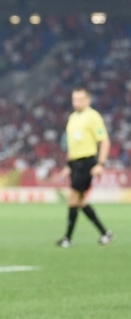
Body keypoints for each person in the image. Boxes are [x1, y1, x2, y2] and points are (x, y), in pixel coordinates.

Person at [56, 88, 114, 248]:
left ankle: (67, 238)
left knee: (72, 198)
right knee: (80, 201)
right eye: (75, 99)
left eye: (80, 99)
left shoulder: (93, 116)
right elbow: (72, 145)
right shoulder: (72, 118)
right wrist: (68, 166)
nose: (77, 102)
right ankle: (105, 233)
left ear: (88, 100)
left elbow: (104, 140)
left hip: (87, 162)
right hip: (75, 163)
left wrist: (100, 164)